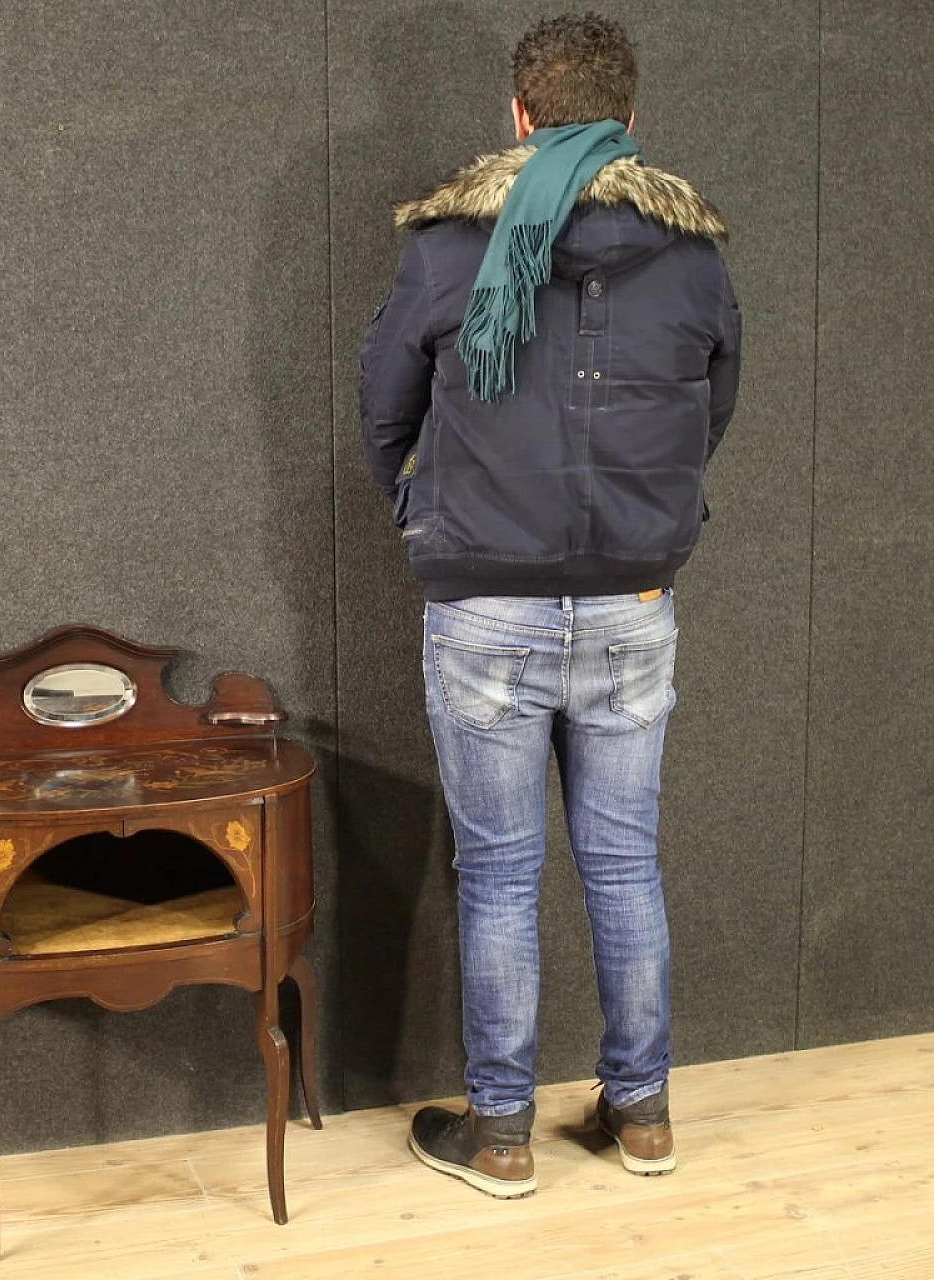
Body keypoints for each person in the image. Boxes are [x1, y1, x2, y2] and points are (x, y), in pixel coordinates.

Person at [359, 11, 741, 1198]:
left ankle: (503, 1135)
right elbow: (709, 412)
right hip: (633, 597)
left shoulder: (445, 245)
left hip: (483, 605)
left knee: (500, 872)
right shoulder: (691, 256)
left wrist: (427, 518)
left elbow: (384, 413)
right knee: (624, 862)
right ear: (629, 123)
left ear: (518, 117)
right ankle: (641, 1116)